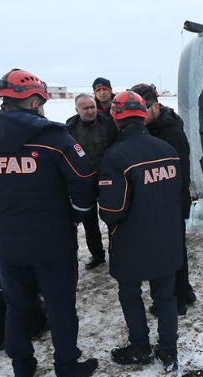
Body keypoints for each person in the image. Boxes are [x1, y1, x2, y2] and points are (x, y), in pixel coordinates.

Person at [0, 68, 98, 377]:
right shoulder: (54, 137)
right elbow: (84, 180)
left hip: (7, 244)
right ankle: (66, 368)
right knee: (61, 307)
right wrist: (75, 215)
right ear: (34, 102)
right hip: (54, 242)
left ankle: (22, 369)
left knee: (17, 306)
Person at [98, 91, 182, 372]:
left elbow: (112, 211)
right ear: (143, 115)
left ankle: (140, 347)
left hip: (132, 242)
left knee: (130, 294)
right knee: (165, 297)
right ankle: (169, 351)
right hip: (168, 238)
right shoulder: (167, 149)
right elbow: (179, 194)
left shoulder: (116, 156)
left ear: (116, 118)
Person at [130, 83, 196, 316]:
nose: (140, 114)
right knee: (174, 249)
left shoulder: (171, 133)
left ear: (155, 106)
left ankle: (176, 300)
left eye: (144, 108)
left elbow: (182, 174)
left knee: (170, 252)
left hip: (172, 202)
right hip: (164, 202)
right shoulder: (152, 128)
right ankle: (185, 291)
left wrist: (174, 204)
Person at [66, 94, 117, 269]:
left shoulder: (107, 124)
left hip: (106, 179)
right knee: (89, 221)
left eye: (92, 107)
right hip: (82, 182)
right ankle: (97, 254)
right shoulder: (70, 128)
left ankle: (116, 251)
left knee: (112, 216)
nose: (90, 111)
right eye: (85, 108)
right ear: (77, 110)